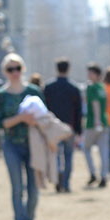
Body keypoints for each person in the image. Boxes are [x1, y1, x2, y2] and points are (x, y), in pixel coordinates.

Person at [0, 52, 44, 220]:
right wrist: (20, 118)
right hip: (12, 145)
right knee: (17, 187)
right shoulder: (1, 95)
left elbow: (44, 116)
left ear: (23, 69)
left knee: (34, 189)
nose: (14, 73)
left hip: (34, 144)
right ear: (5, 72)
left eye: (17, 68)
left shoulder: (34, 91)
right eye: (10, 69)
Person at [42, 58, 83, 193]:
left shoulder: (48, 87)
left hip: (53, 127)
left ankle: (58, 173)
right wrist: (78, 130)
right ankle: (66, 182)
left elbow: (45, 109)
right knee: (69, 155)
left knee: (56, 154)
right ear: (68, 69)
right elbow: (78, 111)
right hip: (69, 127)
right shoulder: (74, 88)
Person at [83, 63, 109, 187]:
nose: (88, 75)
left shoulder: (92, 88)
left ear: (97, 74)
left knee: (86, 148)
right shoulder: (102, 87)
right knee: (103, 151)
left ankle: (93, 173)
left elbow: (95, 104)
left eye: (91, 73)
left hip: (94, 123)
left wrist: (97, 120)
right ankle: (104, 176)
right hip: (105, 122)